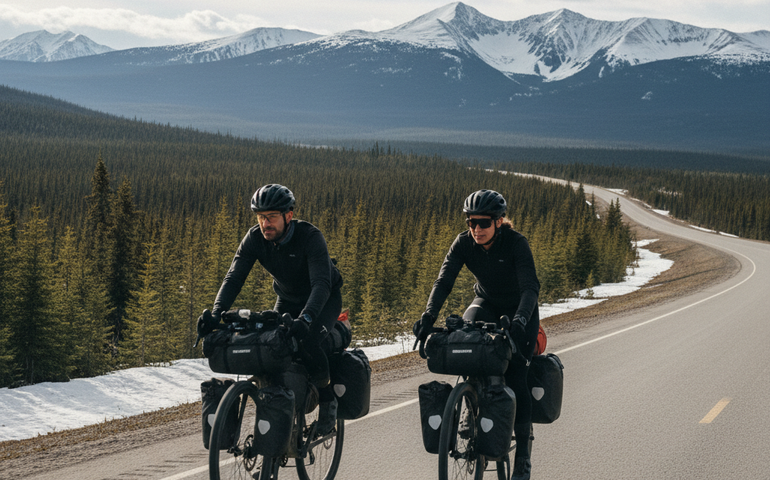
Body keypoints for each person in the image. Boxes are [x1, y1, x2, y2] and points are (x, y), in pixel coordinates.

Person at [413, 189, 540, 480]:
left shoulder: (516, 244)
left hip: (520, 310)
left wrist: (520, 319)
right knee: (467, 347)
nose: (476, 229)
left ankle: (522, 454)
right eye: (471, 223)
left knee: (517, 374)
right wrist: (428, 315)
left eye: (483, 223)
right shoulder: (464, 243)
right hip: (485, 303)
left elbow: (530, 288)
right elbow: (444, 280)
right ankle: (471, 404)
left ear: (498, 221)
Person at [202, 184, 344, 435]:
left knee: (309, 341)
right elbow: (234, 278)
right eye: (261, 217)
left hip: (324, 299)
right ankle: (282, 414)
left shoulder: (310, 236)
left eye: (272, 217)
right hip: (287, 299)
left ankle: (327, 397)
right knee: (273, 345)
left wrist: (307, 318)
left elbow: (321, 285)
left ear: (288, 216)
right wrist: (215, 313)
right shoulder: (255, 238)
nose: (265, 223)